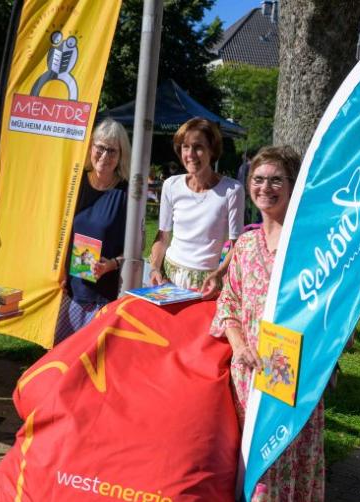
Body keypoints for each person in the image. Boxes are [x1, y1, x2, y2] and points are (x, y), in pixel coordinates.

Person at [211, 146, 324, 502]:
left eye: (276, 179)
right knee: (250, 467)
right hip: (247, 377)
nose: (266, 187)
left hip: (291, 377)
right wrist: (239, 344)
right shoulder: (244, 244)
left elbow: (329, 312)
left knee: (276, 467)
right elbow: (229, 304)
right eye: (259, 179)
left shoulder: (310, 246)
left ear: (293, 186)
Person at [54, 118, 131, 344]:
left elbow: (136, 248)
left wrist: (112, 264)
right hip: (67, 291)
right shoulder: (74, 183)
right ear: (91, 147)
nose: (105, 156)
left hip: (103, 295)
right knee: (60, 357)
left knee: (91, 360)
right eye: (100, 147)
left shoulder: (125, 194)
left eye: (112, 151)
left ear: (120, 155)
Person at [149, 118, 244, 295]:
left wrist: (219, 274)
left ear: (212, 150)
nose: (190, 154)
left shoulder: (232, 190)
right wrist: (154, 268)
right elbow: (162, 237)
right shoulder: (171, 185)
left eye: (198, 147)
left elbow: (237, 247)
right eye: (185, 147)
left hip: (206, 284)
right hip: (167, 279)